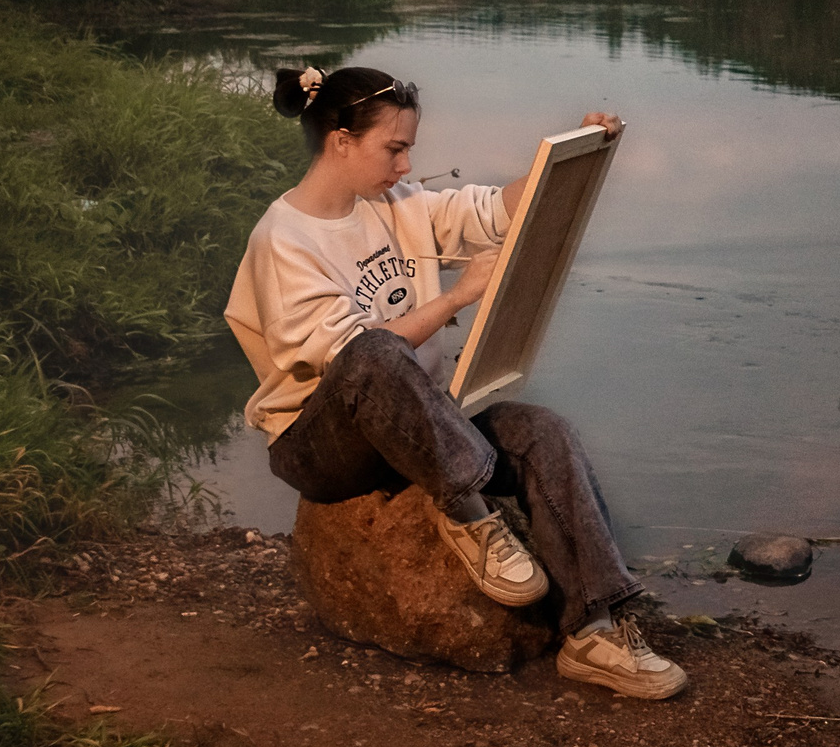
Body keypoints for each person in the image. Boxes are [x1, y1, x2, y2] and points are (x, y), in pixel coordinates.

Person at [223, 63, 687, 699]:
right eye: (394, 149)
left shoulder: (394, 204)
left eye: (408, 148)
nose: (406, 165)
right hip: (321, 442)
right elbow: (348, 360)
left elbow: (495, 212)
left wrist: (570, 154)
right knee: (374, 352)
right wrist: (458, 296)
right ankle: (471, 516)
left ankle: (593, 629)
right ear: (342, 141)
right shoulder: (283, 239)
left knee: (541, 431)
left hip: (417, 424)